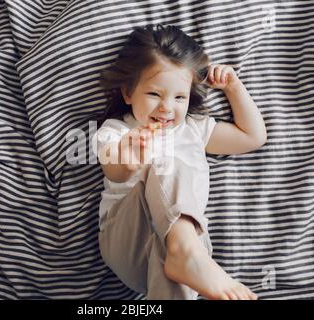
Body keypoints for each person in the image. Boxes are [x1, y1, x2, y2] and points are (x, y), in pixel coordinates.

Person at [91, 24, 266, 300]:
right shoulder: (118, 131)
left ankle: (185, 254)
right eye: (154, 94)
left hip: (180, 254)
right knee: (168, 163)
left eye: (179, 97)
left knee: (179, 276)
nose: (166, 107)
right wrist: (128, 161)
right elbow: (114, 170)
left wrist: (234, 87)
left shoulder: (194, 129)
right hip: (128, 242)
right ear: (128, 93)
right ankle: (185, 253)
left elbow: (252, 137)